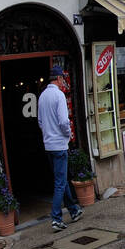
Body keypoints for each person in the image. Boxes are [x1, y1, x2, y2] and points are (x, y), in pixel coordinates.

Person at [38, 66, 83, 231]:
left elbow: (41, 122)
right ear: (57, 78)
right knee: (59, 182)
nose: (64, 81)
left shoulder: (42, 96)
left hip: (48, 144)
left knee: (61, 180)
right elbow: (64, 122)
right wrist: (68, 134)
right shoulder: (59, 95)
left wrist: (48, 134)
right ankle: (56, 218)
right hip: (59, 145)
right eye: (63, 78)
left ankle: (74, 210)